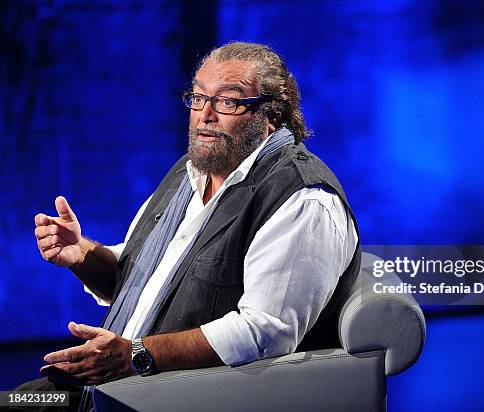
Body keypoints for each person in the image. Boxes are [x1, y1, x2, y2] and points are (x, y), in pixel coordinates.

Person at [18, 41, 360, 411]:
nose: (205, 115)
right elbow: (137, 274)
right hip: (113, 386)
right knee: (17, 401)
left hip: (178, 396)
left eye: (228, 101)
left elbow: (263, 332)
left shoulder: (303, 198)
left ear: (271, 115)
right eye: (197, 98)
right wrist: (82, 254)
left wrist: (133, 355)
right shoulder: (190, 173)